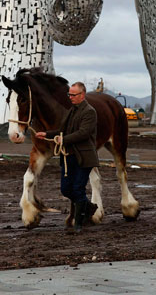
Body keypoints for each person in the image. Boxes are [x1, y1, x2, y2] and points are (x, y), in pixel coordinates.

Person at [35, 81, 99, 233]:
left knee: (78, 189)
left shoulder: (90, 112)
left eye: (73, 95)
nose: (70, 97)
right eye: (69, 94)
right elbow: (62, 130)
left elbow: (83, 133)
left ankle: (79, 224)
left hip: (84, 157)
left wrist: (63, 140)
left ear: (82, 95)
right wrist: (47, 134)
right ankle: (89, 207)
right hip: (68, 156)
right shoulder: (72, 110)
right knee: (66, 189)